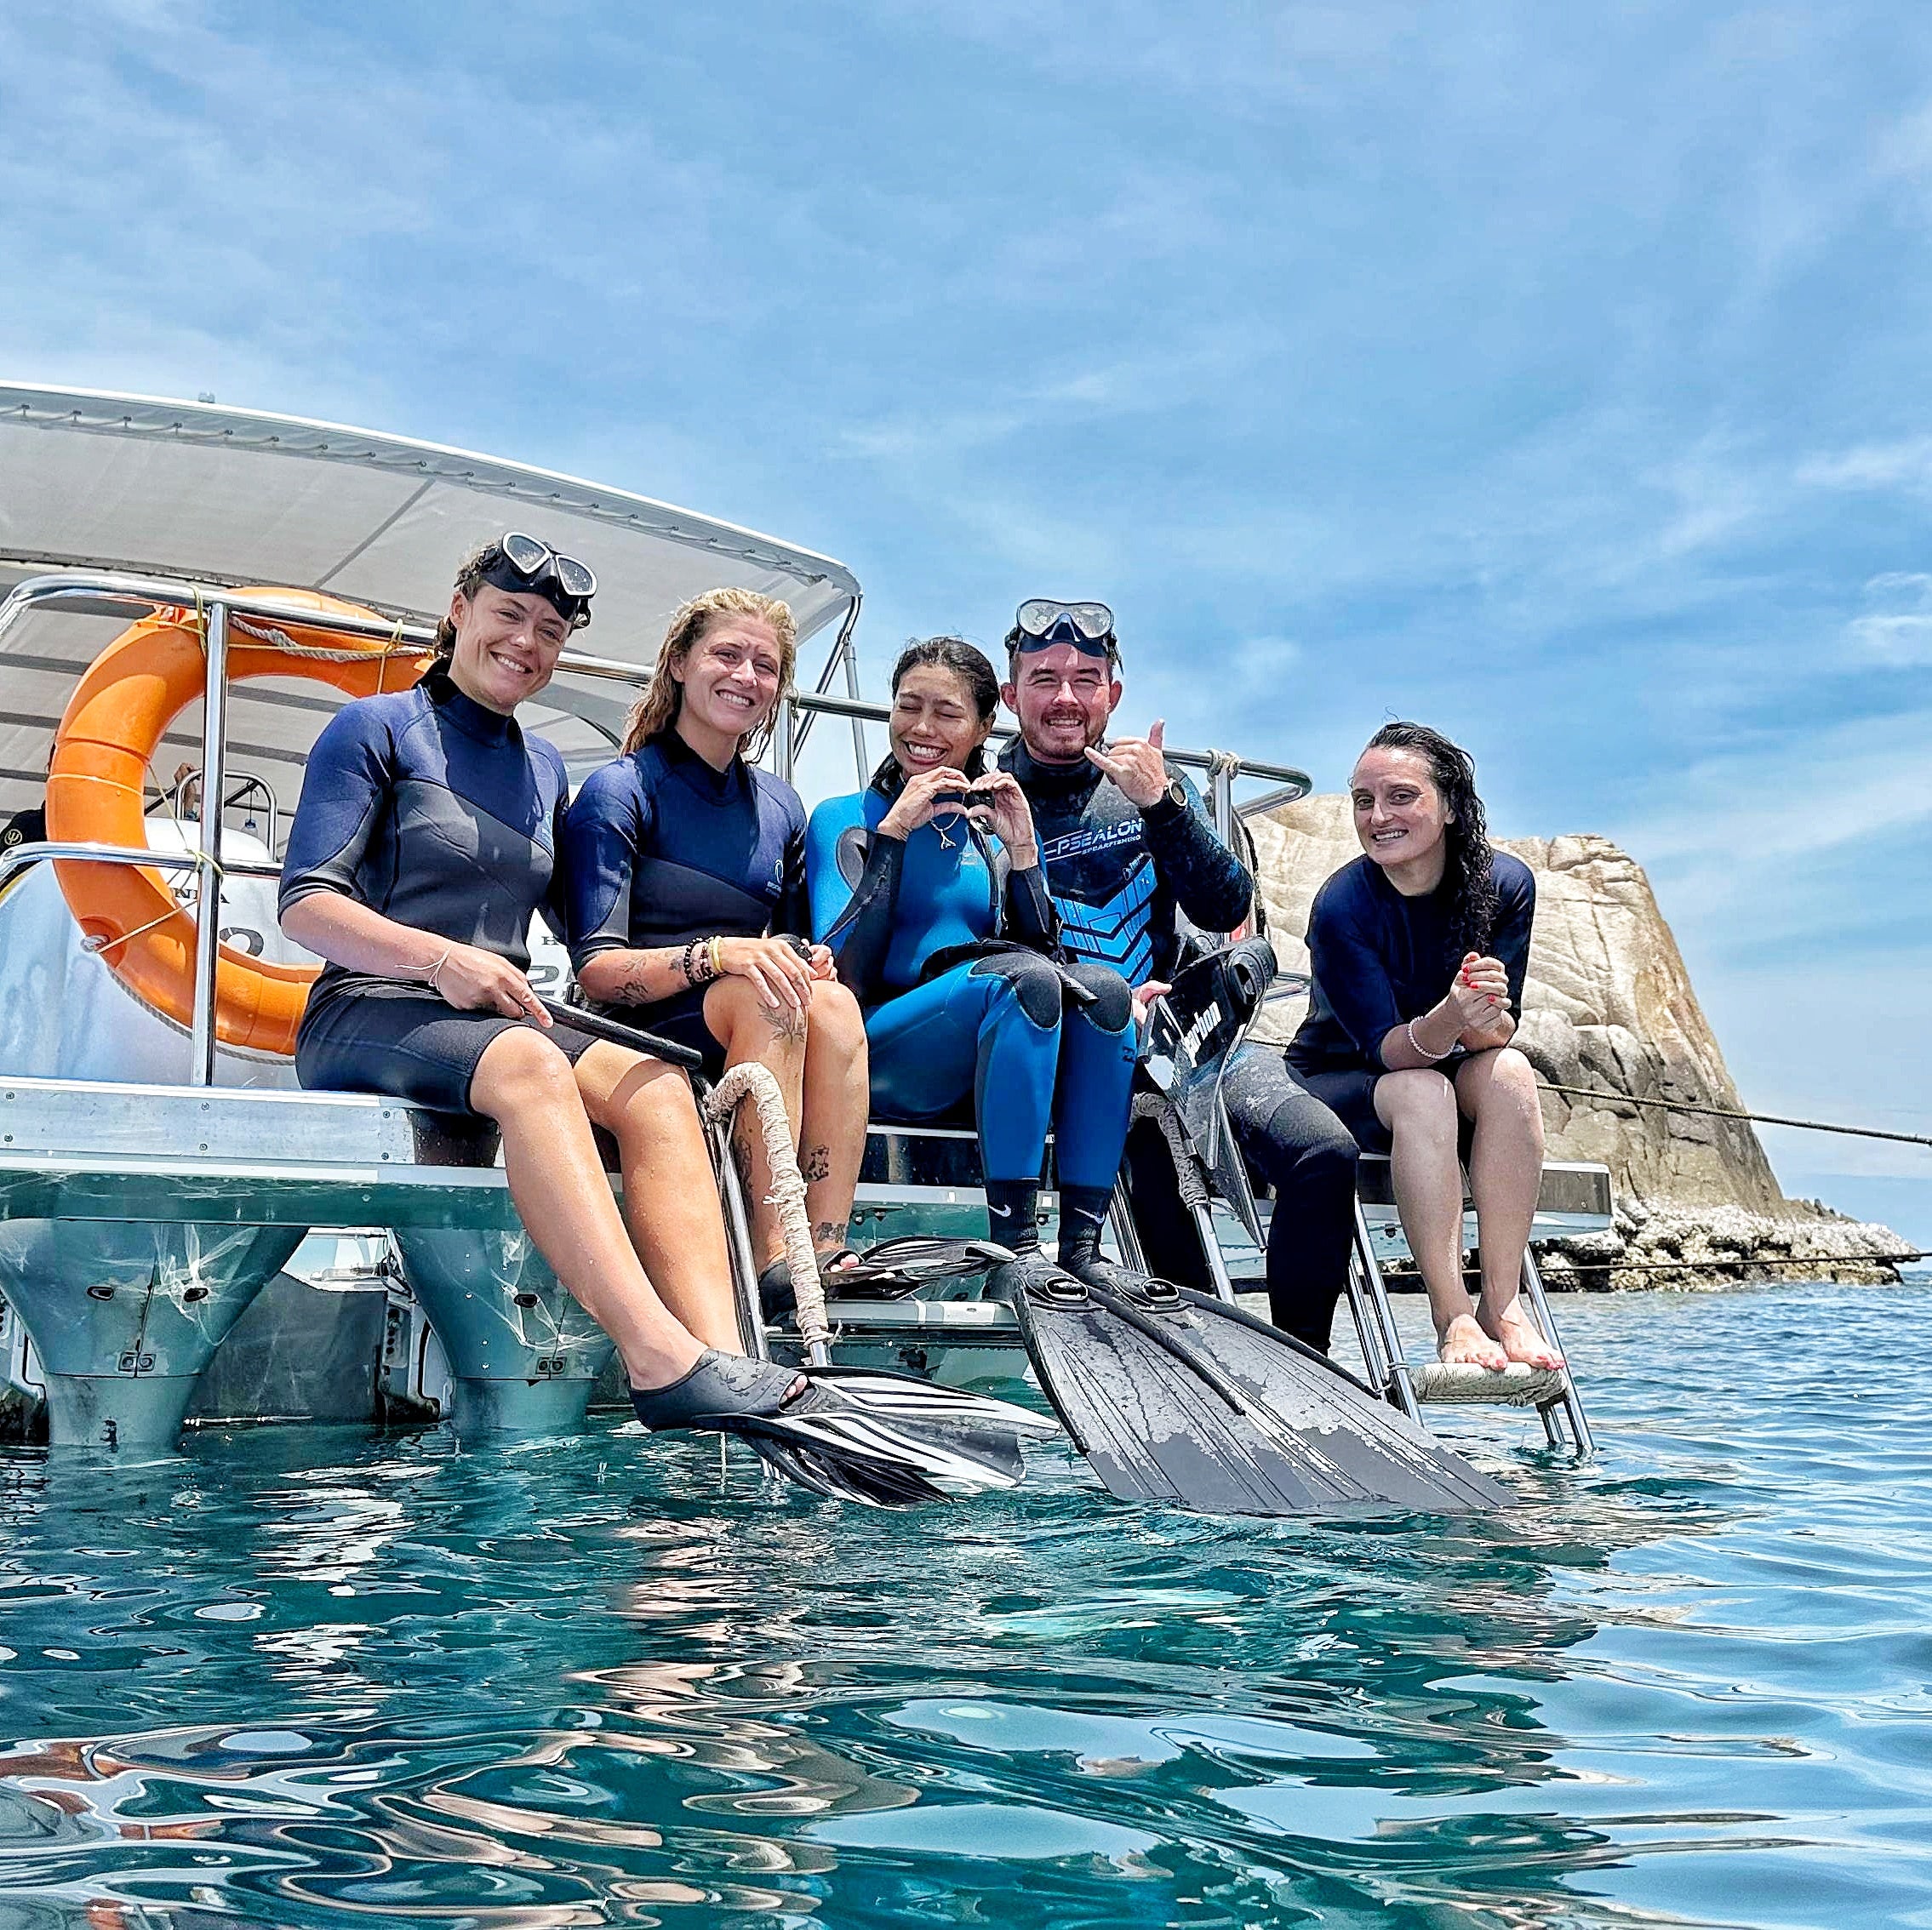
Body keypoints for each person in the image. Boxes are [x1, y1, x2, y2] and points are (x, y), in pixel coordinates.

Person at [278, 536, 808, 1432]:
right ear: (460, 611)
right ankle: (657, 1357)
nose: (526, 641)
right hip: (369, 1009)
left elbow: (597, 930)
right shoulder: (374, 727)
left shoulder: (545, 768)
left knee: (655, 1089)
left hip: (497, 1015)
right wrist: (440, 958)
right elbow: (305, 906)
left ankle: (724, 1368)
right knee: (530, 1064)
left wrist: (749, 948)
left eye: (549, 630)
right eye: (509, 616)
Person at [996, 598, 1361, 1351]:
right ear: (1011, 697)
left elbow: (1228, 903)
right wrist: (1102, 1001)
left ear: (1113, 696)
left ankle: (1305, 1369)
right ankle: (1195, 1360)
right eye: (1044, 679)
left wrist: (1161, 805)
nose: (1066, 696)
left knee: (1325, 1153)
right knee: (1148, 1148)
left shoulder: (1151, 786)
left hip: (1181, 1045)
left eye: (1086, 678)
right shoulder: (987, 798)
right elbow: (987, 947)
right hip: (1076, 1058)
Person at [804, 637, 1141, 1290]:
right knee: (1021, 985)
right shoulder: (845, 819)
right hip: (873, 1044)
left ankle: (1082, 1247)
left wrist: (1022, 855)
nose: (922, 729)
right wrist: (893, 837)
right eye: (908, 707)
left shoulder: (984, 832)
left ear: (986, 726)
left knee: (1107, 996)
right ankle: (1014, 1249)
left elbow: (1048, 963)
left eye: (947, 714)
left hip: (976, 1033)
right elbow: (841, 976)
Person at [562, 588, 868, 1299]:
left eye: (764, 665)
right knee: (767, 997)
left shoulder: (780, 805)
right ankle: (772, 1258)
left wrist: (802, 954)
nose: (745, 675)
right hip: (631, 1027)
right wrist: (721, 952)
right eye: (726, 655)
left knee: (834, 1006)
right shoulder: (620, 789)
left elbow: (787, 934)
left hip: (735, 1014)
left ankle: (823, 1247)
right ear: (677, 664)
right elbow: (599, 971)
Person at [1287, 722, 1562, 1372]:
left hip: (1440, 1072)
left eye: (1400, 796)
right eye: (1362, 800)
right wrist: (1450, 1013)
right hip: (1341, 1080)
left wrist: (1483, 1015)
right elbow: (1388, 1052)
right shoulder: (1343, 905)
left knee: (1512, 1073)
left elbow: (1497, 1035)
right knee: (1423, 1088)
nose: (1378, 816)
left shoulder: (1506, 884)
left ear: (1452, 805)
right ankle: (1453, 1315)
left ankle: (1504, 1304)